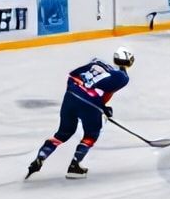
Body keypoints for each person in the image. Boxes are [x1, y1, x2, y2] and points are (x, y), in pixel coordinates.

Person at [25, 49, 134, 180]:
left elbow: (72, 77)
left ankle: (41, 156)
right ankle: (74, 166)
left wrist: (75, 95)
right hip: (90, 103)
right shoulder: (122, 77)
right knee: (91, 134)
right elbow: (106, 90)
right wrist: (101, 107)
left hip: (71, 96)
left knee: (63, 133)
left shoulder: (95, 63)